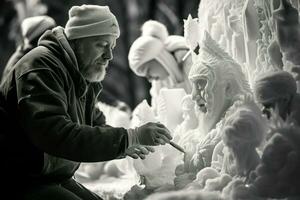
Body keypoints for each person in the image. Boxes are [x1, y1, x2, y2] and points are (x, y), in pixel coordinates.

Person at [0, 4, 172, 199]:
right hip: (19, 179)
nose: (109, 56)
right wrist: (129, 137)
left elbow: (95, 123)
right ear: (78, 41)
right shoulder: (40, 66)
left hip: (51, 176)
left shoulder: (80, 73)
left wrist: (126, 145)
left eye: (112, 46)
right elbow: (55, 134)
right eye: (102, 45)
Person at [128, 20, 192, 112]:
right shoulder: (159, 82)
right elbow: (157, 112)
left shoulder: (190, 58)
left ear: (159, 57)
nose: (149, 78)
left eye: (148, 70)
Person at [1, 15, 56, 82]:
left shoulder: (28, 55)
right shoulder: (23, 61)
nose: (54, 36)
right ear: (39, 37)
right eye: (50, 32)